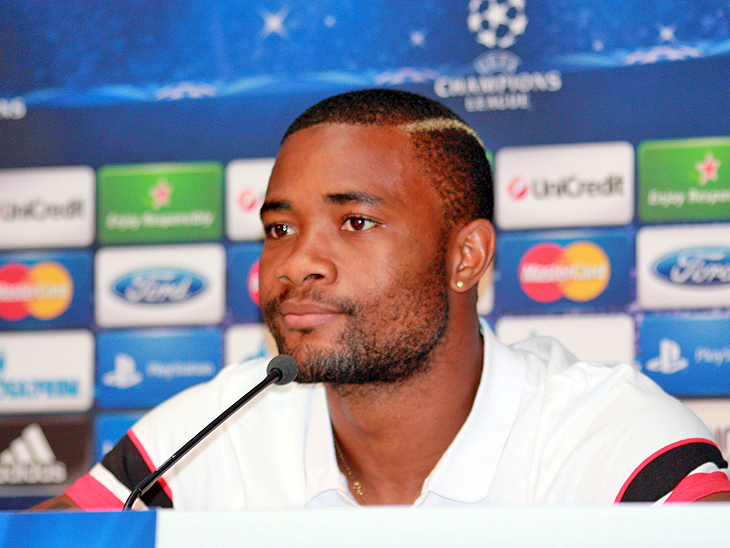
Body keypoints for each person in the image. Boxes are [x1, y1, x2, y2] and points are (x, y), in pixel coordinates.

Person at [34, 89, 730, 510]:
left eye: (356, 222)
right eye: (279, 229)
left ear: (466, 257)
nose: (297, 262)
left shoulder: (605, 439)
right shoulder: (212, 434)